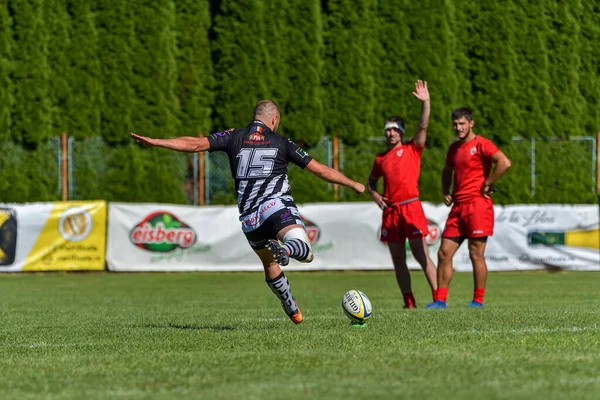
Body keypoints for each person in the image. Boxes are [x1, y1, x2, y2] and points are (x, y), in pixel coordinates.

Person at [131, 100, 365, 324]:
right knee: (305, 251)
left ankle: (291, 307)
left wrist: (158, 142)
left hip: (250, 219)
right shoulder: (282, 141)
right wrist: (353, 183)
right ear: (274, 119)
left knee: (270, 265)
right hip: (275, 206)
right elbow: (320, 170)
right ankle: (286, 248)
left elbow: (194, 144)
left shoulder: (233, 136)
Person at [427, 107, 511, 309]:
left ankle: (478, 301)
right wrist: (445, 190)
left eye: (462, 123)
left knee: (476, 253)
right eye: (455, 124)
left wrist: (488, 182)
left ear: (471, 123)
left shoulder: (482, 144)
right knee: (443, 253)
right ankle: (440, 300)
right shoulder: (454, 149)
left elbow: (504, 162)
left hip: (478, 206)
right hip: (458, 208)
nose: (458, 128)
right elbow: (447, 170)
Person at [367, 80, 438, 309]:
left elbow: (423, 126)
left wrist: (426, 102)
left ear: (402, 132)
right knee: (398, 259)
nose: (391, 133)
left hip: (411, 208)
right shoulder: (380, 159)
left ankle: (439, 298)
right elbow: (371, 183)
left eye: (395, 129)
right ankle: (409, 301)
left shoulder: (412, 148)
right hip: (391, 212)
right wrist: (376, 195)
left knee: (421, 255)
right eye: (387, 129)